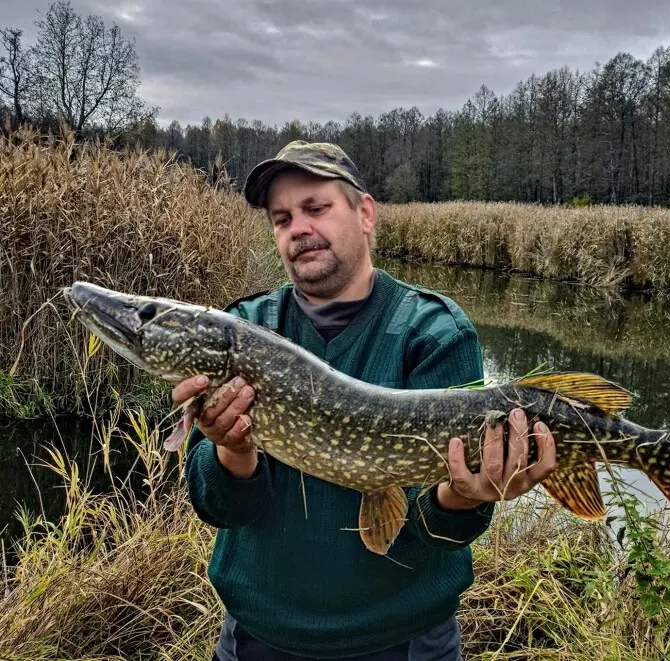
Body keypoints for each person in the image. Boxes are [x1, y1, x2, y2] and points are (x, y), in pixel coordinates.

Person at [172, 140, 557, 661]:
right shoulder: (244, 330)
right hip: (259, 639)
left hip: (403, 643)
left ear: (365, 213)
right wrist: (232, 452)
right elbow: (217, 507)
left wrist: (466, 496)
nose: (298, 229)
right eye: (281, 218)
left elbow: (440, 530)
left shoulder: (434, 332)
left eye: (316, 208)